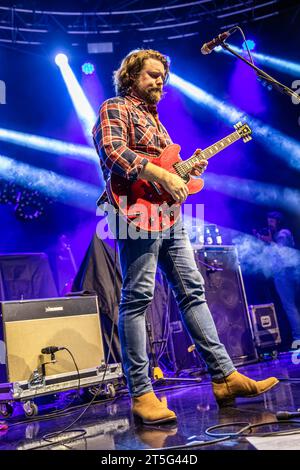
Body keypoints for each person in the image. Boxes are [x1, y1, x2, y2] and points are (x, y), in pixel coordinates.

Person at [92, 49, 278, 424]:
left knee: (193, 292)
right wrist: (164, 177)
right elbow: (112, 153)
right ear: (131, 77)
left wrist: (186, 170)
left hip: (168, 215)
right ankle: (142, 394)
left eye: (162, 76)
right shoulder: (116, 107)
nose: (159, 81)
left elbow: (169, 171)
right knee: (138, 296)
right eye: (151, 75)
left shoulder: (157, 122)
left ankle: (225, 377)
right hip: (133, 212)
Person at [257, 211, 300, 347]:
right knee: (292, 305)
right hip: (288, 272)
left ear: (278, 221)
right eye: (268, 220)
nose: (269, 223)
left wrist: (269, 242)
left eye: (272, 221)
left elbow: (281, 252)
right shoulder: (280, 234)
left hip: (285, 273)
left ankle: (298, 338)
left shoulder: (283, 233)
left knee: (289, 306)